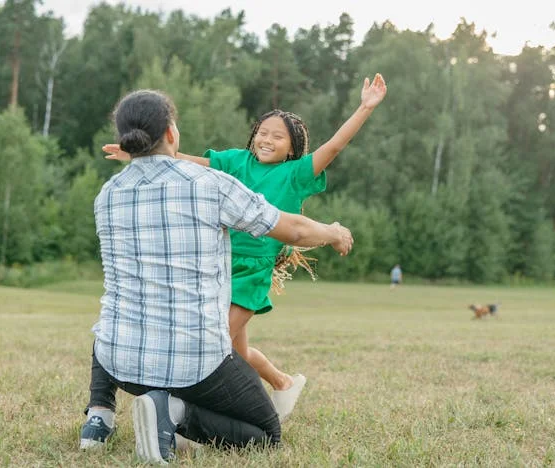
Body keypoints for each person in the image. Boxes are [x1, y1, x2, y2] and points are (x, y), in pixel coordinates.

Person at [81, 89, 355, 463]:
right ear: (173, 134)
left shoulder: (106, 194)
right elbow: (295, 231)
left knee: (120, 309)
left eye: (279, 136)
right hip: (189, 363)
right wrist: (336, 232)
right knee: (265, 430)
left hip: (119, 363)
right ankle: (172, 413)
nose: (268, 139)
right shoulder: (210, 184)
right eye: (264, 132)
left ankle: (99, 415)